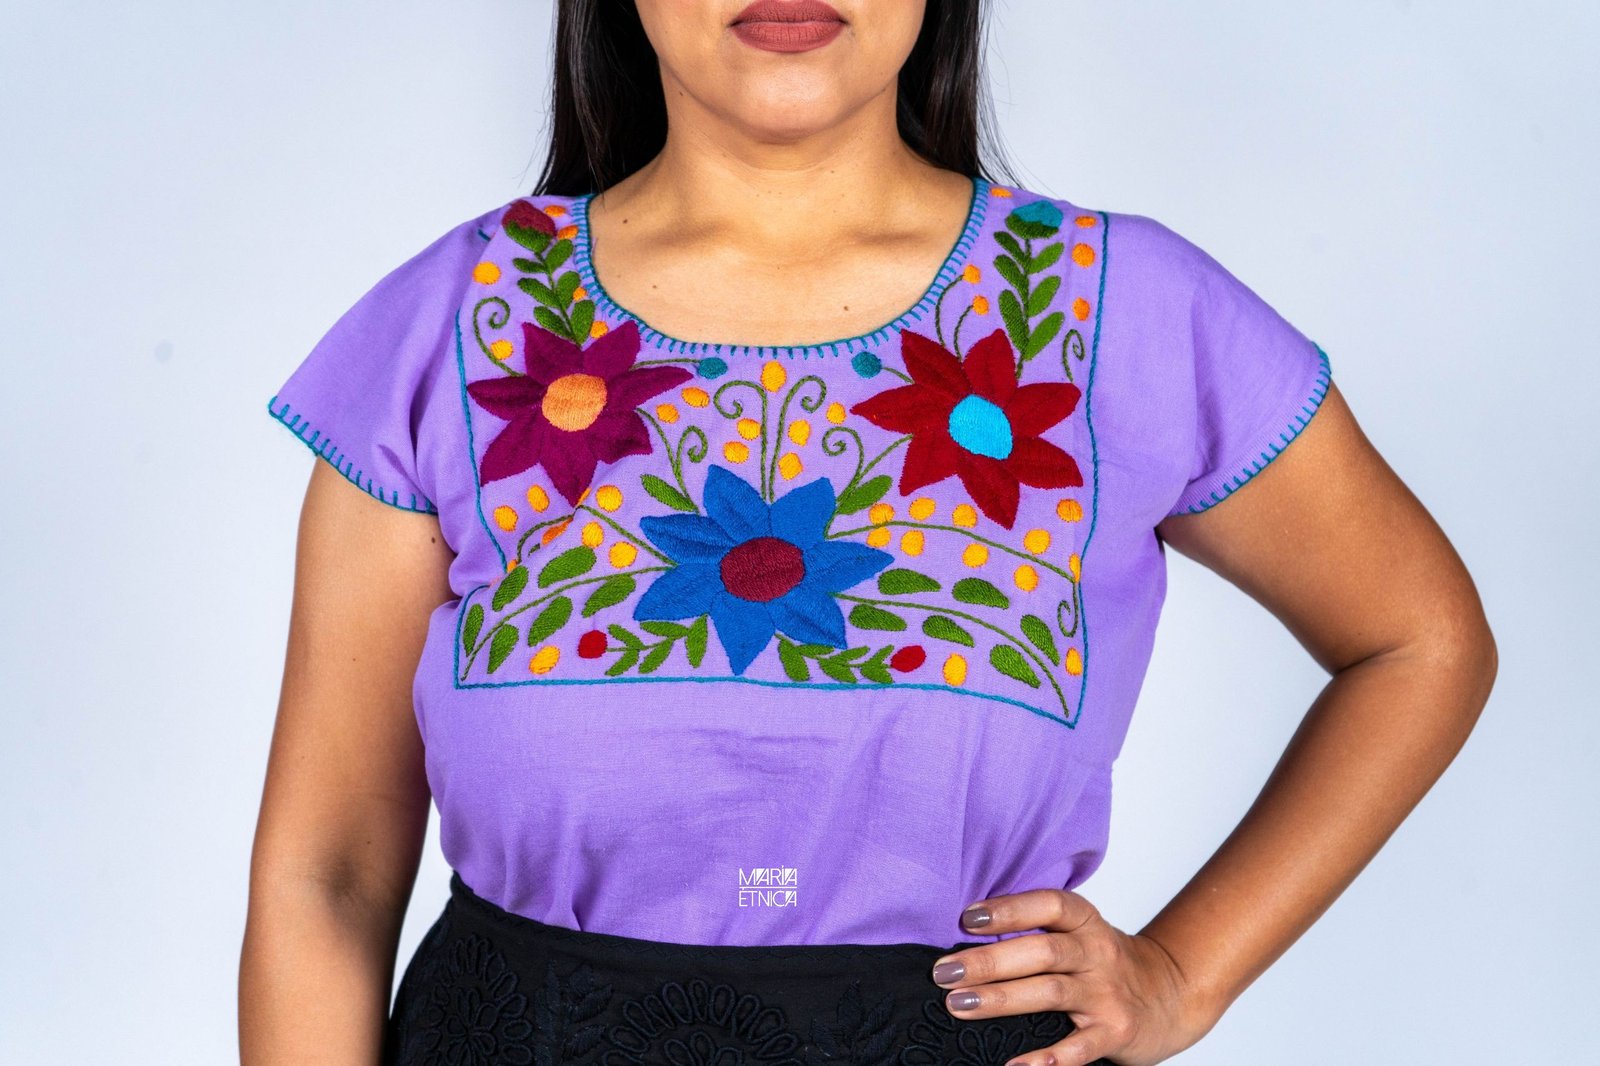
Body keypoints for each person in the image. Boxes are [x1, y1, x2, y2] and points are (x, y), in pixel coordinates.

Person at [238, 2, 1498, 1064]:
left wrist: (1183, 973)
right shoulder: (460, 322)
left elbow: (1419, 639)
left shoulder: (1125, 311)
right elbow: (325, 874)